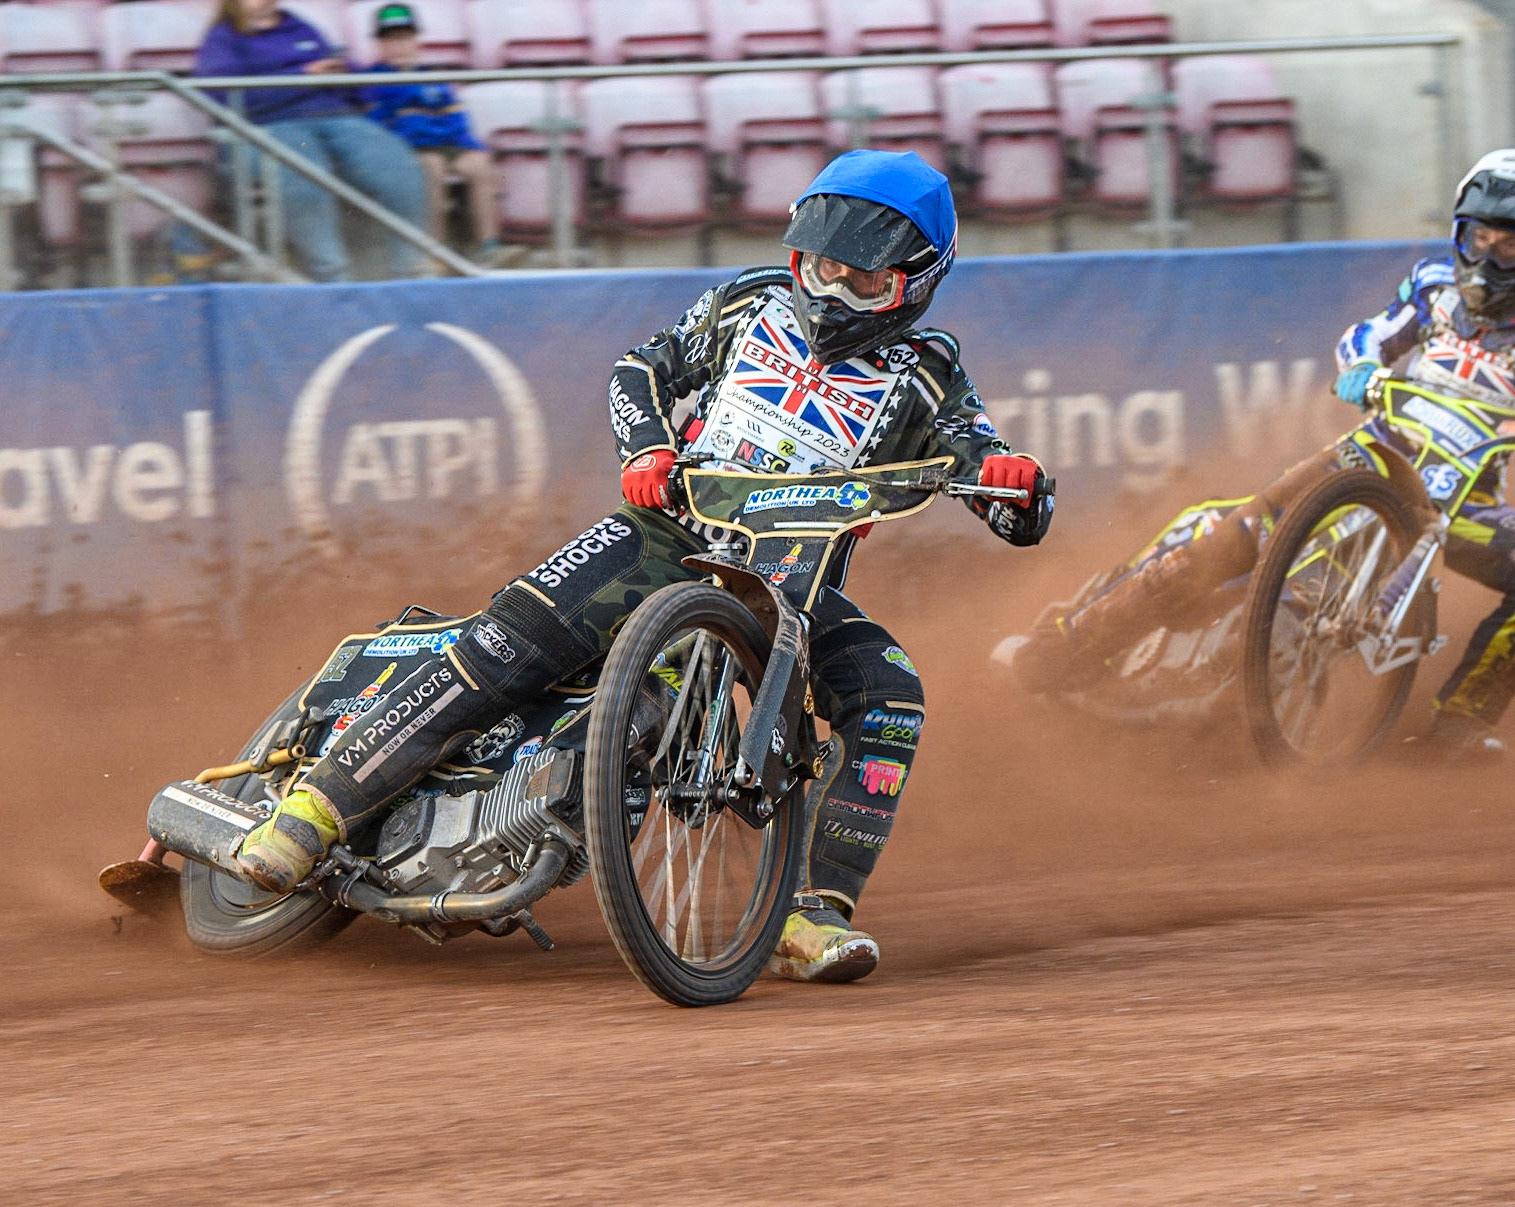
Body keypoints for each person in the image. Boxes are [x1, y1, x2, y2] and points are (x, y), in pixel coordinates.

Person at [234, 150, 1054, 983]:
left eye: (863, 281)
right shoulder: (747, 302)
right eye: (822, 267)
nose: (833, 291)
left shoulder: (931, 371)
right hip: (662, 532)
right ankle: (315, 808)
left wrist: (1014, 488)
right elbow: (643, 368)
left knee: (891, 695)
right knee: (503, 643)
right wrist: (649, 446)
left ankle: (813, 915)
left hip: (793, 586)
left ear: (917, 282)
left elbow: (984, 467)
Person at [1004, 148, 1515, 756]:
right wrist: (1360, 367)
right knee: (1229, 536)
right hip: (1367, 460)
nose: (1490, 258)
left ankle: (1461, 725)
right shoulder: (1434, 288)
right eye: (1478, 238)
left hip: (1462, 501)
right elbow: (1367, 337)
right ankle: (1071, 646)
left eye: (1514, 242)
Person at [195, 0, 428, 282]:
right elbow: (222, 97)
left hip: (336, 115)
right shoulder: (222, 38)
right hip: (267, 123)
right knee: (301, 177)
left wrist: (346, 73)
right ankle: (334, 277)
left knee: (397, 165)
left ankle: (408, 271)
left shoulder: (299, 25)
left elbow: (355, 84)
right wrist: (303, 76)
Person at [361, 3, 507, 265]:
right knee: (432, 167)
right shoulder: (372, 81)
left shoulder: (433, 78)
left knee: (481, 165)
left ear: (417, 42)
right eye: (392, 40)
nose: (400, 47)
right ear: (380, 45)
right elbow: (377, 124)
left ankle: (489, 248)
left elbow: (456, 118)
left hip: (446, 143)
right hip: (410, 147)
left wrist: (469, 146)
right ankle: (433, 252)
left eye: (405, 39)